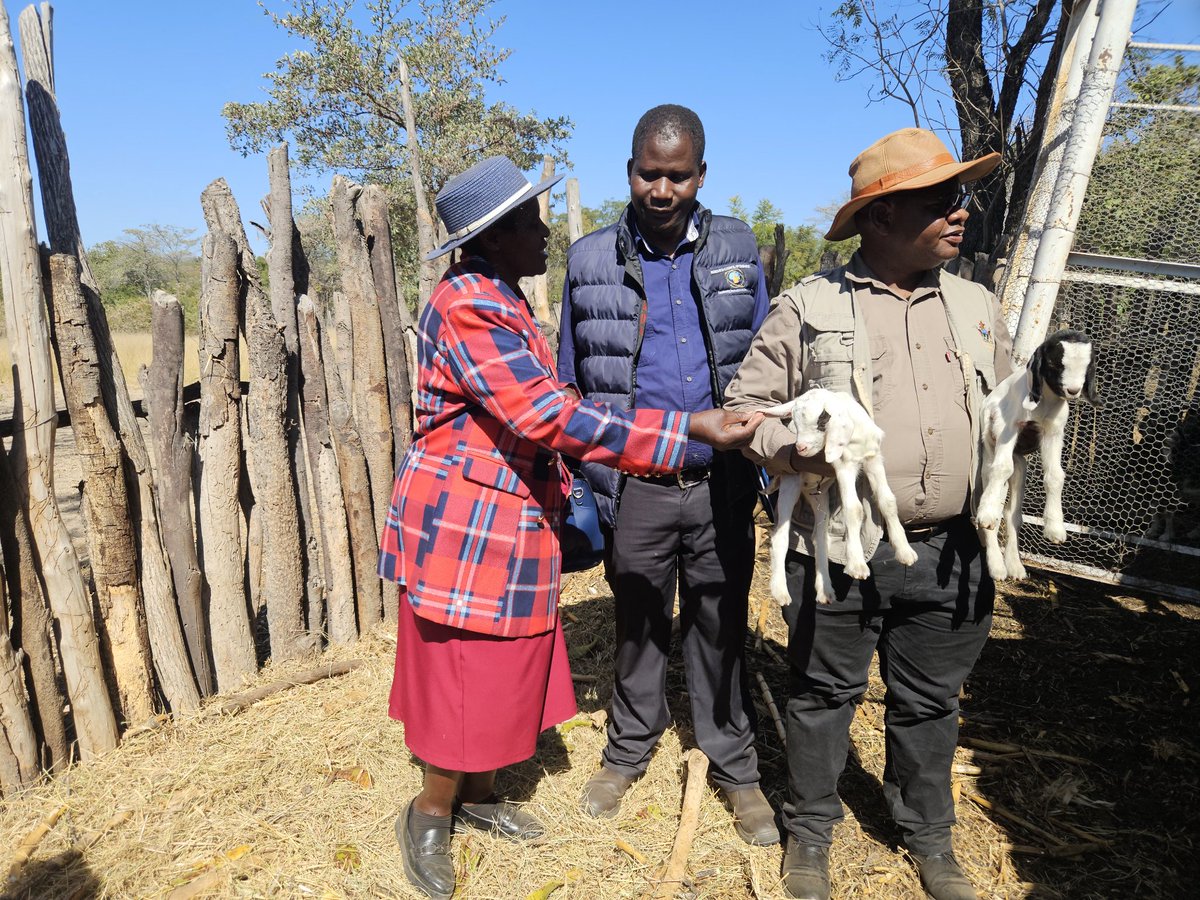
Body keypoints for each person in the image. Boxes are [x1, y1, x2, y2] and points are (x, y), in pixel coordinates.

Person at [378, 155, 761, 900]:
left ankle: (480, 798)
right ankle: (430, 810)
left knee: (500, 666)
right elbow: (546, 414)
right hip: (468, 516)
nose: (545, 233)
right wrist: (687, 430)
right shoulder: (468, 306)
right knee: (462, 667)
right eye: (529, 223)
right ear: (492, 239)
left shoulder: (503, 297)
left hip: (506, 512)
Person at [724, 127, 1022, 900]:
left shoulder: (977, 305)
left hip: (953, 549)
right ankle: (811, 837)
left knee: (929, 702)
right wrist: (794, 454)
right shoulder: (809, 307)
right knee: (823, 696)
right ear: (880, 218)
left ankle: (929, 838)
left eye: (961, 198)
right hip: (839, 545)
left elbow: (1010, 402)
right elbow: (745, 412)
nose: (961, 213)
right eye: (941, 200)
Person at [558, 104, 777, 845]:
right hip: (637, 485)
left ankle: (734, 762)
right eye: (649, 173)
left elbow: (767, 359)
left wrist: (767, 466)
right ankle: (627, 750)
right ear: (630, 171)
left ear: (701, 176)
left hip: (721, 481)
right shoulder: (589, 261)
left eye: (677, 175)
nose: (661, 189)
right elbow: (572, 374)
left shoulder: (739, 247)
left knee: (720, 624)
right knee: (640, 623)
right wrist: (590, 474)